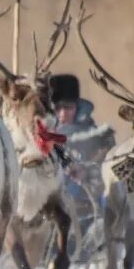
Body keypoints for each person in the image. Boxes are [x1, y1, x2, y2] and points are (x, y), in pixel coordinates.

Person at [49, 73, 115, 256]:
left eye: (68, 107)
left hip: (86, 212)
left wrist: (87, 171)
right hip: (50, 214)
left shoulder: (97, 137)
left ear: (77, 107)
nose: (63, 114)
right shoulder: (41, 136)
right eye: (58, 108)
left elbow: (107, 168)